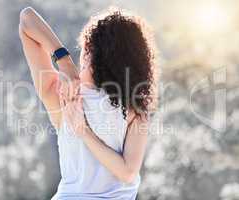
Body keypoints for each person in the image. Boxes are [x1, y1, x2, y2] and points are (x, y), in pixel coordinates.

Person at [19, 6, 157, 200]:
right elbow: (26, 18)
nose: (82, 55)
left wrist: (83, 131)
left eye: (89, 49)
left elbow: (128, 172)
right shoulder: (132, 108)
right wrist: (65, 63)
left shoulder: (65, 96)